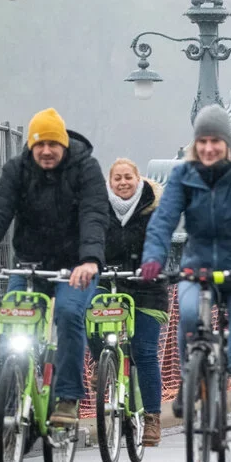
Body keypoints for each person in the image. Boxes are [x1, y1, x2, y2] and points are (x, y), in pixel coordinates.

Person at [140, 104, 231, 462]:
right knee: (185, 315)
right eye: (203, 141)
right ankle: (191, 377)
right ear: (195, 144)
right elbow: (164, 219)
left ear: (227, 142)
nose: (209, 148)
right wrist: (153, 256)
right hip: (198, 267)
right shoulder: (184, 175)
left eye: (216, 141)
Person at [0, 108, 109, 425]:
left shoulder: (86, 168)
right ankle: (16, 385)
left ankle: (68, 396)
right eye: (39, 145)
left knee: (69, 315)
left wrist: (90, 260)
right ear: (30, 146)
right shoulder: (17, 169)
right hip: (30, 264)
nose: (45, 151)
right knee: (11, 317)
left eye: (52, 144)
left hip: (75, 268)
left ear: (64, 145)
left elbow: (94, 215)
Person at [95, 158, 167, 445]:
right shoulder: (98, 211)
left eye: (128, 177)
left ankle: (152, 417)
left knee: (144, 351)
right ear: (109, 183)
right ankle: (102, 369)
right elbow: (90, 241)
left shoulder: (154, 210)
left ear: (139, 179)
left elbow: (160, 241)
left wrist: (152, 263)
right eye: (117, 178)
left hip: (147, 287)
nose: (123, 182)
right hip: (109, 283)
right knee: (90, 319)